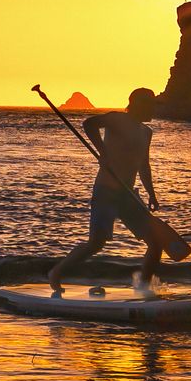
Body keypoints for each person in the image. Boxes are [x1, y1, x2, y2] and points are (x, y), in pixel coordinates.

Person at [49, 88, 166, 294]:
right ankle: (56, 273)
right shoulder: (117, 119)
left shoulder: (146, 132)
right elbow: (89, 124)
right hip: (106, 191)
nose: (153, 109)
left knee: (156, 243)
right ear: (137, 103)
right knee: (96, 243)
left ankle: (144, 287)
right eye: (150, 104)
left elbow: (144, 165)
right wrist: (103, 152)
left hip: (128, 194)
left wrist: (152, 193)